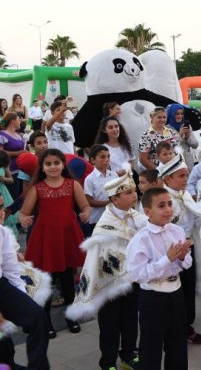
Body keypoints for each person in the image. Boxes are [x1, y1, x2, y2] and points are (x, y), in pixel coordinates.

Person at [67, 172, 146, 370]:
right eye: (128, 192)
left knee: (130, 320)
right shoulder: (104, 225)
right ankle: (108, 362)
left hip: (131, 279)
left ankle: (128, 355)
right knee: (110, 324)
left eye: (134, 191)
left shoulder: (137, 217)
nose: (134, 195)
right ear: (114, 199)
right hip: (109, 283)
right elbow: (97, 258)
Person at [18, 149, 92, 338]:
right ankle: (46, 321)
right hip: (46, 240)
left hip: (66, 237)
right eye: (48, 164)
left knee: (68, 282)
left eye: (56, 163)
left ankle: (71, 317)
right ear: (42, 167)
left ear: (63, 164)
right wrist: (24, 219)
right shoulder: (37, 188)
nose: (53, 167)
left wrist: (85, 213)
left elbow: (84, 205)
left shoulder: (72, 185)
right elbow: (24, 212)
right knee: (47, 283)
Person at [126, 187, 192, 370]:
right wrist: (167, 259)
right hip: (154, 296)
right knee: (151, 347)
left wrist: (181, 257)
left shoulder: (177, 231)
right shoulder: (141, 239)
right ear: (147, 211)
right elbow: (137, 275)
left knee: (178, 344)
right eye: (161, 206)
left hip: (176, 292)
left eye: (170, 204)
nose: (168, 209)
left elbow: (187, 263)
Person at [158, 155, 201, 346]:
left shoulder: (184, 193)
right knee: (173, 291)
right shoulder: (163, 198)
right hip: (171, 251)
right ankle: (175, 329)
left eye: (186, 175)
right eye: (181, 176)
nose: (186, 179)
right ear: (168, 179)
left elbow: (194, 219)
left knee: (188, 288)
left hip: (188, 246)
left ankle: (187, 326)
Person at [0, 209, 50, 370]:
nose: (1, 213)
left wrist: (24, 299)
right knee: (3, 341)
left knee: (37, 316)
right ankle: (6, 364)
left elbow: (10, 270)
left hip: (1, 285)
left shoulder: (2, 233)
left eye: (1, 207)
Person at [83, 145, 118, 235]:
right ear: (93, 160)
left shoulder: (114, 175)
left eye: (108, 156)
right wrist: (109, 203)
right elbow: (89, 201)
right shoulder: (90, 179)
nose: (106, 159)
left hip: (114, 217)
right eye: (102, 157)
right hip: (97, 219)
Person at [0, 112, 26, 198]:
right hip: (10, 171)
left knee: (19, 197)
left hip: (21, 171)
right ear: (12, 121)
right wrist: (18, 153)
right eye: (18, 120)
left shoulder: (18, 135)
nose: (20, 122)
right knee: (11, 196)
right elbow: (1, 153)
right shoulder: (2, 134)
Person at [167, 104, 199, 170]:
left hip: (188, 160)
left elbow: (195, 145)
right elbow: (168, 147)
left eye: (181, 114)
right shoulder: (166, 128)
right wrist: (180, 135)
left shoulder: (186, 126)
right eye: (177, 114)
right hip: (174, 160)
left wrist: (188, 137)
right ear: (171, 114)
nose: (180, 116)